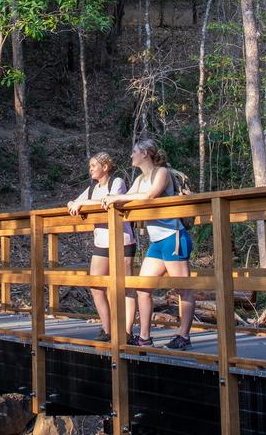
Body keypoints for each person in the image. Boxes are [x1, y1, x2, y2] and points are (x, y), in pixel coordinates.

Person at [101, 139, 194, 350]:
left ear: (145, 153)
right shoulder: (141, 179)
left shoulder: (161, 172)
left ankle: (184, 335)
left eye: (134, 151)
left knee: (183, 289)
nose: (131, 155)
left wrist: (117, 199)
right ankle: (144, 337)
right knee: (143, 288)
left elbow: (150, 196)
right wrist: (114, 199)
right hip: (157, 242)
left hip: (173, 236)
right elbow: (126, 196)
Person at [66, 152, 136, 342]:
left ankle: (127, 331)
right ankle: (108, 328)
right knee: (96, 285)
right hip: (102, 242)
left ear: (105, 167)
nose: (91, 169)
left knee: (124, 287)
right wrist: (75, 203)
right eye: (90, 166)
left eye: (94, 166)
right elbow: (74, 202)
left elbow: (108, 201)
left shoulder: (117, 182)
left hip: (123, 240)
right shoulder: (91, 189)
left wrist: (83, 203)